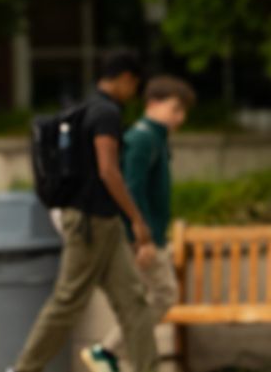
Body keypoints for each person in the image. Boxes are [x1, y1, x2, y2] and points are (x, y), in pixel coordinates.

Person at [11, 52, 158, 372]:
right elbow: (109, 170)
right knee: (67, 301)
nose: (133, 93)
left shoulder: (83, 109)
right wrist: (136, 218)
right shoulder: (105, 113)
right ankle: (23, 369)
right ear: (125, 78)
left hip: (101, 220)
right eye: (134, 85)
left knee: (134, 301)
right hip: (90, 221)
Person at [83, 74, 196, 372]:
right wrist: (142, 236)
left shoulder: (154, 137)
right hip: (142, 235)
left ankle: (111, 352)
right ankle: (107, 351)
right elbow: (131, 187)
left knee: (151, 298)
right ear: (153, 103)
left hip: (150, 233)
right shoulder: (143, 137)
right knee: (161, 295)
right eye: (175, 109)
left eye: (183, 111)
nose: (179, 118)